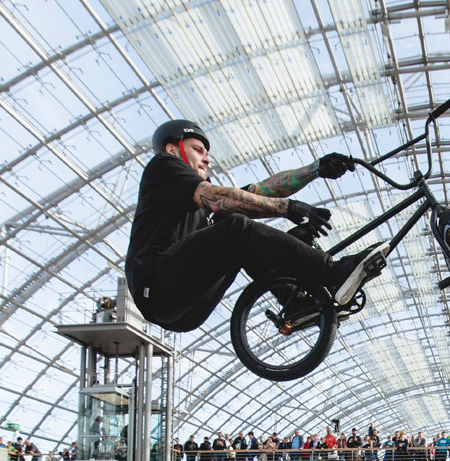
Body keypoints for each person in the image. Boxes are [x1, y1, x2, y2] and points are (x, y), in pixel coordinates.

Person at [124, 121, 390, 348]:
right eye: (198, 150)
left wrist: (316, 169)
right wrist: (287, 209)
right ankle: (332, 272)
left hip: (186, 310)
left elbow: (262, 190)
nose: (207, 158)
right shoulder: (163, 167)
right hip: (156, 284)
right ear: (173, 148)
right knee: (236, 227)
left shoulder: (200, 210)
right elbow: (217, 198)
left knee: (240, 235)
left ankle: (294, 301)